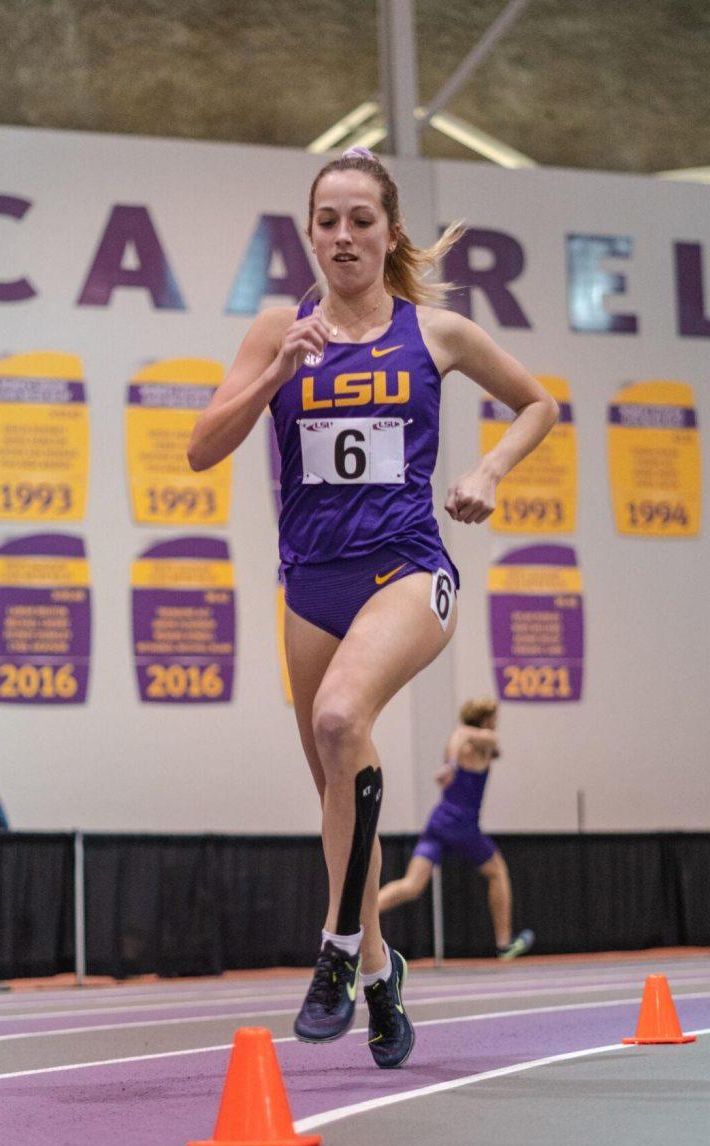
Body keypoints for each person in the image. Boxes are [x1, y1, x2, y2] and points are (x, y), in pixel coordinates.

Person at [188, 147, 557, 1068]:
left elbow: (538, 403)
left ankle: (339, 953)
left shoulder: (437, 333)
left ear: (391, 232)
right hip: (309, 582)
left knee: (341, 713)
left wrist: (485, 471)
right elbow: (201, 449)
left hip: (406, 573)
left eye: (362, 219)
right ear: (308, 234)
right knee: (335, 787)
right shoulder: (277, 328)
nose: (344, 236)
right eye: (328, 220)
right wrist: (277, 370)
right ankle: (387, 971)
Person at [378, 697, 534, 960]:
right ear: (485, 719)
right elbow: (466, 735)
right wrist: (450, 765)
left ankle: (357, 919)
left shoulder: (471, 745)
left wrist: (454, 761)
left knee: (412, 885)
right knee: (498, 872)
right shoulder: (475, 739)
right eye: (494, 718)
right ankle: (504, 943)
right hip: (462, 825)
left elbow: (472, 741)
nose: (497, 723)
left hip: (438, 822)